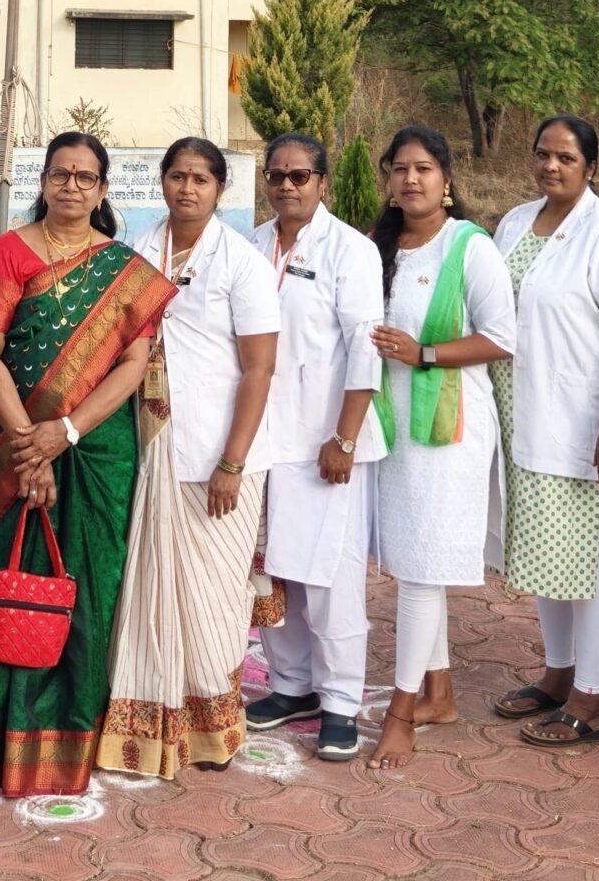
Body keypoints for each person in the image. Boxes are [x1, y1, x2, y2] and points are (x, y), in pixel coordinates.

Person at [0, 132, 171, 796]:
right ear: (43, 182)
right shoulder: (8, 252)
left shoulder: (123, 270)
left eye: (86, 177)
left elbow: (133, 365)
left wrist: (65, 432)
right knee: (5, 581)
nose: (72, 186)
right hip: (5, 443)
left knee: (88, 585)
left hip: (96, 448)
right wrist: (31, 444)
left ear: (103, 191)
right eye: (61, 174)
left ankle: (71, 741)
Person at [97, 136, 280, 777]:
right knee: (151, 590)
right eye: (178, 176)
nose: (188, 188)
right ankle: (149, 727)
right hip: (149, 443)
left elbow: (259, 369)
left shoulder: (241, 262)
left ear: (220, 189)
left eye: (201, 178)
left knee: (215, 597)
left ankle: (212, 731)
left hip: (218, 454)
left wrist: (232, 462)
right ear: (162, 182)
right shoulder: (137, 250)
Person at [489, 114, 599, 750]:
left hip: (590, 427)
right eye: (543, 154)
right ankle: (558, 674)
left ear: (591, 166)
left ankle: (593, 698)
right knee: (546, 552)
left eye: (566, 157)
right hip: (525, 417)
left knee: (589, 559)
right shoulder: (515, 223)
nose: (551, 166)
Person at [365, 124, 516, 773]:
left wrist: (423, 353)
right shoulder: (379, 247)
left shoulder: (469, 247)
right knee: (411, 561)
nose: (411, 179)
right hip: (393, 425)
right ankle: (441, 695)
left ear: (446, 179)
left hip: (449, 431)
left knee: (423, 568)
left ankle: (401, 715)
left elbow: (501, 338)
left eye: (424, 168)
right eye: (400, 169)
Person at [243, 133, 385, 762]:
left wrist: (345, 436)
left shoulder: (350, 250)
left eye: (300, 176)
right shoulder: (252, 244)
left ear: (323, 183)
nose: (287, 186)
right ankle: (291, 686)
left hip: (327, 442)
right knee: (276, 574)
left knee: (330, 580)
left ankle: (341, 702)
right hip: (265, 439)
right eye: (276, 175)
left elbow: (364, 348)